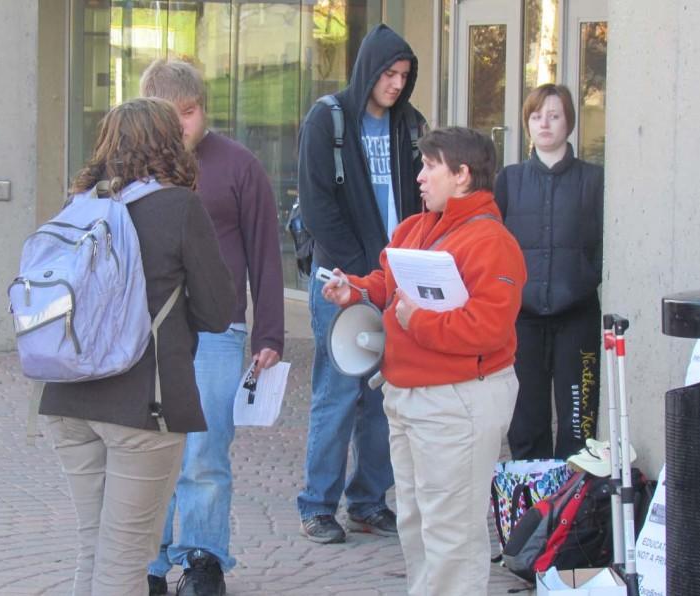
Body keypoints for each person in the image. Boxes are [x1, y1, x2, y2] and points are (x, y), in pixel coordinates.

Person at [38, 97, 235, 595]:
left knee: (94, 549)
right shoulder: (180, 206)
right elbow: (217, 311)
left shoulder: (79, 204)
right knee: (126, 561)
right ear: (170, 143)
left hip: (68, 398)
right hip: (144, 405)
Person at [322, 126, 526, 595]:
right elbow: (387, 281)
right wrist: (355, 288)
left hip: (458, 400)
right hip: (409, 396)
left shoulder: (493, 243)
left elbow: (488, 329)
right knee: (417, 524)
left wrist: (418, 324)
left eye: (431, 166)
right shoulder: (415, 228)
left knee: (451, 533)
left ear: (462, 176)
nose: (419, 176)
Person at [139, 59, 285, 596]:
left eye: (190, 113)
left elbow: (266, 253)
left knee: (204, 449)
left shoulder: (239, 166)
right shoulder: (133, 169)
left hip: (218, 332)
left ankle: (202, 559)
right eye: (169, 116)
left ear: (204, 108)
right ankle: (148, 563)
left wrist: (269, 334)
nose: (182, 126)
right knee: (150, 448)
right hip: (147, 333)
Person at [296, 23, 427, 545]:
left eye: (404, 76)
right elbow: (318, 203)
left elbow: (421, 200)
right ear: (368, 69)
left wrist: (400, 271)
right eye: (388, 74)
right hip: (341, 279)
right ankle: (317, 505)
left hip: (395, 278)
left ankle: (369, 501)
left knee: (384, 393)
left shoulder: (411, 126)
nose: (396, 84)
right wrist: (359, 274)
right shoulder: (327, 119)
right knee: (338, 389)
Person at [496, 84, 605, 460]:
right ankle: (534, 511)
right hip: (522, 321)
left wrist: (587, 275)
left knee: (579, 423)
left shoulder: (594, 181)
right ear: (527, 123)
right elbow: (493, 243)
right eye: (536, 116)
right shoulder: (509, 180)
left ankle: (575, 512)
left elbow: (605, 242)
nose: (545, 123)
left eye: (554, 115)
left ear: (569, 122)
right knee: (525, 422)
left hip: (577, 318)